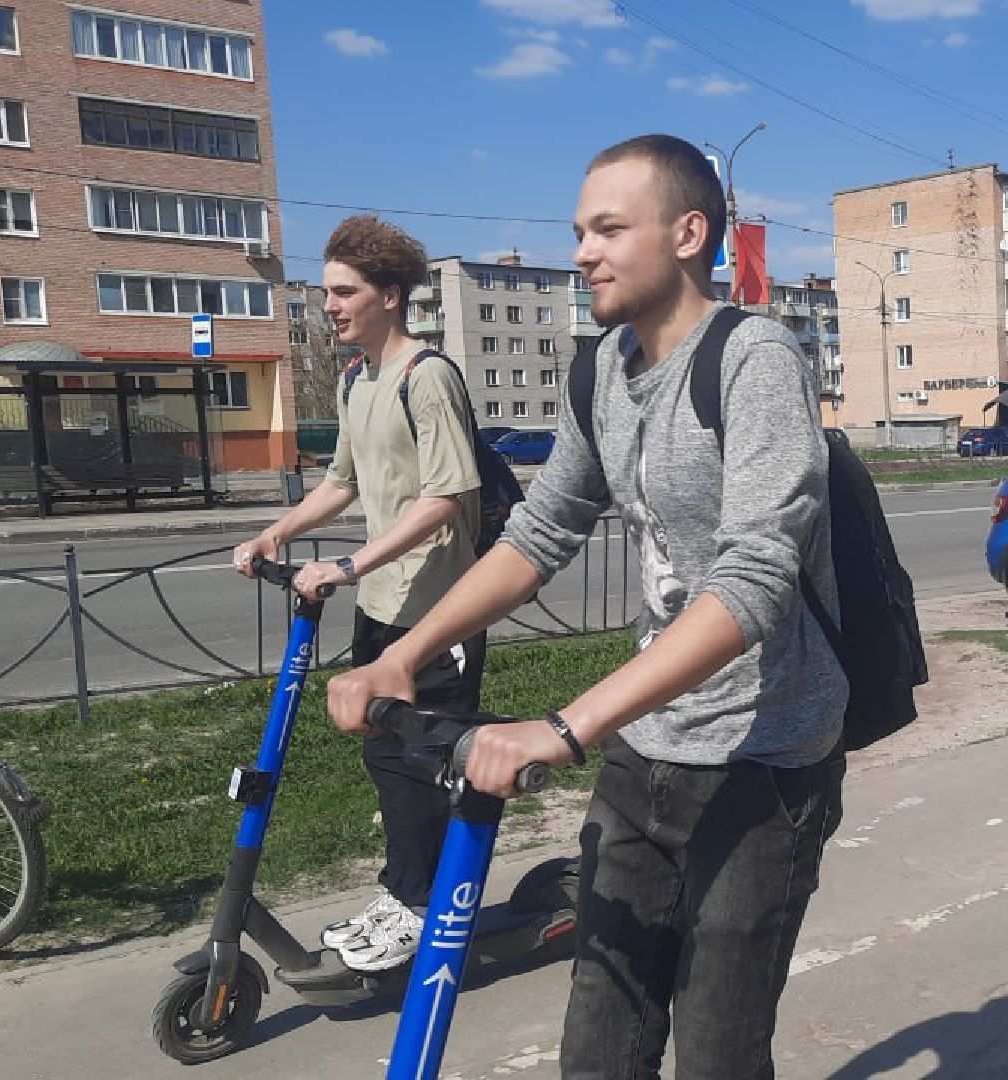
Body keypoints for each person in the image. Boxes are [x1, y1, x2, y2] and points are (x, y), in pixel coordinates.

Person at [326, 133, 846, 1078]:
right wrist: (407, 653)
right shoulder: (601, 368)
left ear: (688, 233)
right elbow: (536, 535)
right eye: (578, 231)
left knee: (720, 1055)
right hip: (642, 753)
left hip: (761, 766)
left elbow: (757, 578)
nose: (582, 251)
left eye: (608, 228)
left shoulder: (752, 359)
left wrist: (562, 729)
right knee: (600, 1049)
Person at [231, 215, 485, 974]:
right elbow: (343, 481)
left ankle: (423, 906)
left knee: (424, 767)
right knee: (386, 760)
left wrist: (347, 565)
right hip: (383, 610)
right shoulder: (356, 379)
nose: (330, 305)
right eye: (328, 292)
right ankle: (406, 894)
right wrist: (278, 532)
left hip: (440, 616)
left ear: (392, 296)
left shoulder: (425, 376)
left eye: (344, 292)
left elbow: (445, 496)